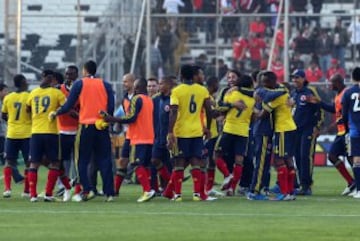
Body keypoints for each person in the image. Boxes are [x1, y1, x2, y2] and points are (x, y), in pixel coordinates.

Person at [52, 60, 115, 202]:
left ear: (84, 71)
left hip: (86, 126)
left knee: (81, 159)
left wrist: (57, 112)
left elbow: (68, 105)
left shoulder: (80, 84)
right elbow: (110, 107)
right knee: (105, 160)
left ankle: (87, 190)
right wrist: (106, 120)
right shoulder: (105, 84)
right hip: (101, 126)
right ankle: (109, 193)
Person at [165, 64, 214, 201]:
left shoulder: (177, 91)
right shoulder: (202, 90)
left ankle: (178, 195)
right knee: (195, 162)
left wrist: (170, 132)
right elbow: (209, 111)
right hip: (197, 131)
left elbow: (173, 112)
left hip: (181, 131)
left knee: (179, 162)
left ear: (181, 75)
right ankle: (197, 194)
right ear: (194, 76)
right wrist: (208, 127)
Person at [105, 78, 156, 203]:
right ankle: (115, 190)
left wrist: (112, 119)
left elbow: (131, 118)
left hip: (138, 137)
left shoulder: (136, 99)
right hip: (142, 136)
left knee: (136, 164)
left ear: (137, 87)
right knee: (124, 161)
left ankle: (148, 190)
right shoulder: (149, 100)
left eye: (134, 86)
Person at [307, 74, 355, 195]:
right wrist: (319, 103)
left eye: (332, 82)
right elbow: (334, 109)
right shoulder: (339, 94)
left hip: (347, 131)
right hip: (341, 131)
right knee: (336, 157)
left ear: (338, 83)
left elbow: (349, 111)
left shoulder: (346, 93)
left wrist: (342, 122)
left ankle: (355, 183)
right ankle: (352, 182)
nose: (329, 85)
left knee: (350, 158)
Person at [26, 70, 66, 202]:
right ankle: (49, 194)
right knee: (54, 163)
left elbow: (28, 110)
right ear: (52, 79)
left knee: (34, 163)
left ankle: (33, 195)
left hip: (36, 132)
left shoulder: (33, 93)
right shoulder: (56, 93)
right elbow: (65, 107)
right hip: (51, 132)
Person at [257, 71, 297, 200]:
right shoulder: (283, 91)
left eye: (266, 82)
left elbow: (263, 114)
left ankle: (284, 193)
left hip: (283, 129)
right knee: (288, 160)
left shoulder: (278, 96)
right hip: (290, 127)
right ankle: (290, 192)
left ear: (272, 82)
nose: (264, 85)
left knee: (278, 160)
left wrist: (253, 109)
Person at [215, 75, 255, 196]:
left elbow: (219, 106)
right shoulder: (253, 100)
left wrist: (231, 104)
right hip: (243, 131)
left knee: (216, 154)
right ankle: (231, 188)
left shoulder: (233, 94)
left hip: (229, 129)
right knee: (239, 161)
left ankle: (228, 176)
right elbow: (253, 117)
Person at [290, 69, 324, 195]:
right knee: (297, 157)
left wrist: (318, 126)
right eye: (293, 78)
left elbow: (319, 108)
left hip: (308, 129)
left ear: (303, 79)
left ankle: (307, 185)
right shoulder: (294, 93)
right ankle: (301, 184)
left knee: (306, 156)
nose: (294, 80)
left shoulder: (310, 91)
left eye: (297, 77)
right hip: (296, 130)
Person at [1, 75, 31, 198]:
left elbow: (3, 115)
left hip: (12, 134)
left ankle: (7, 189)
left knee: (9, 161)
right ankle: (26, 191)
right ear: (23, 82)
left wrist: (12, 122)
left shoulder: (8, 97)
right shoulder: (29, 96)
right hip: (26, 134)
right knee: (29, 163)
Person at [55, 65, 79, 200]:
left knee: (76, 160)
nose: (69, 76)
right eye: (67, 74)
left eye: (71, 74)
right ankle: (62, 186)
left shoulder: (81, 88)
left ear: (76, 75)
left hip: (77, 129)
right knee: (63, 160)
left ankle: (76, 186)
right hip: (62, 129)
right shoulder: (59, 89)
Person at [150, 76, 175, 196]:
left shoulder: (173, 100)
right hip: (158, 137)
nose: (159, 86)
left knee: (168, 164)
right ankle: (172, 185)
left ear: (168, 85)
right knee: (155, 160)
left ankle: (169, 189)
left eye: (161, 84)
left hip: (169, 137)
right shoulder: (156, 99)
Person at [114, 73, 135, 195]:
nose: (124, 84)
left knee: (144, 163)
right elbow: (121, 114)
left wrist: (116, 120)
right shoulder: (125, 98)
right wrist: (116, 123)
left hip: (140, 135)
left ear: (133, 82)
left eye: (126, 81)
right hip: (128, 134)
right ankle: (115, 190)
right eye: (123, 81)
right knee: (123, 161)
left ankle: (151, 189)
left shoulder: (139, 97)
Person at [341, 67, 360, 198]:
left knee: (357, 160)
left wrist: (346, 129)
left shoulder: (348, 93)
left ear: (353, 77)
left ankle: (359, 189)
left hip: (355, 131)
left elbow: (344, 113)